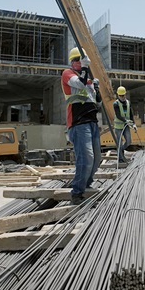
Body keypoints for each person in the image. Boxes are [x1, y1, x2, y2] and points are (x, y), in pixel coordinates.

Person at [61, 47, 102, 205]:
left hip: (92, 122)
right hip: (78, 123)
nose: (79, 62)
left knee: (96, 158)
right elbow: (79, 83)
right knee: (86, 158)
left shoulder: (88, 79)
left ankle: (86, 184)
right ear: (72, 62)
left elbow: (97, 102)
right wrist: (85, 69)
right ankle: (77, 193)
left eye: (81, 59)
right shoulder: (67, 73)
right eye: (77, 59)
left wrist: (96, 88)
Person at [112, 86, 136, 163]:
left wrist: (134, 124)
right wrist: (126, 121)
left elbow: (131, 114)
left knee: (128, 141)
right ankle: (121, 159)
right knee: (119, 142)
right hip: (118, 126)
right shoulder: (116, 104)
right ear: (118, 95)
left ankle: (121, 149)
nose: (122, 97)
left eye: (123, 95)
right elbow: (118, 115)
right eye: (121, 96)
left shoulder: (128, 103)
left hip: (126, 126)